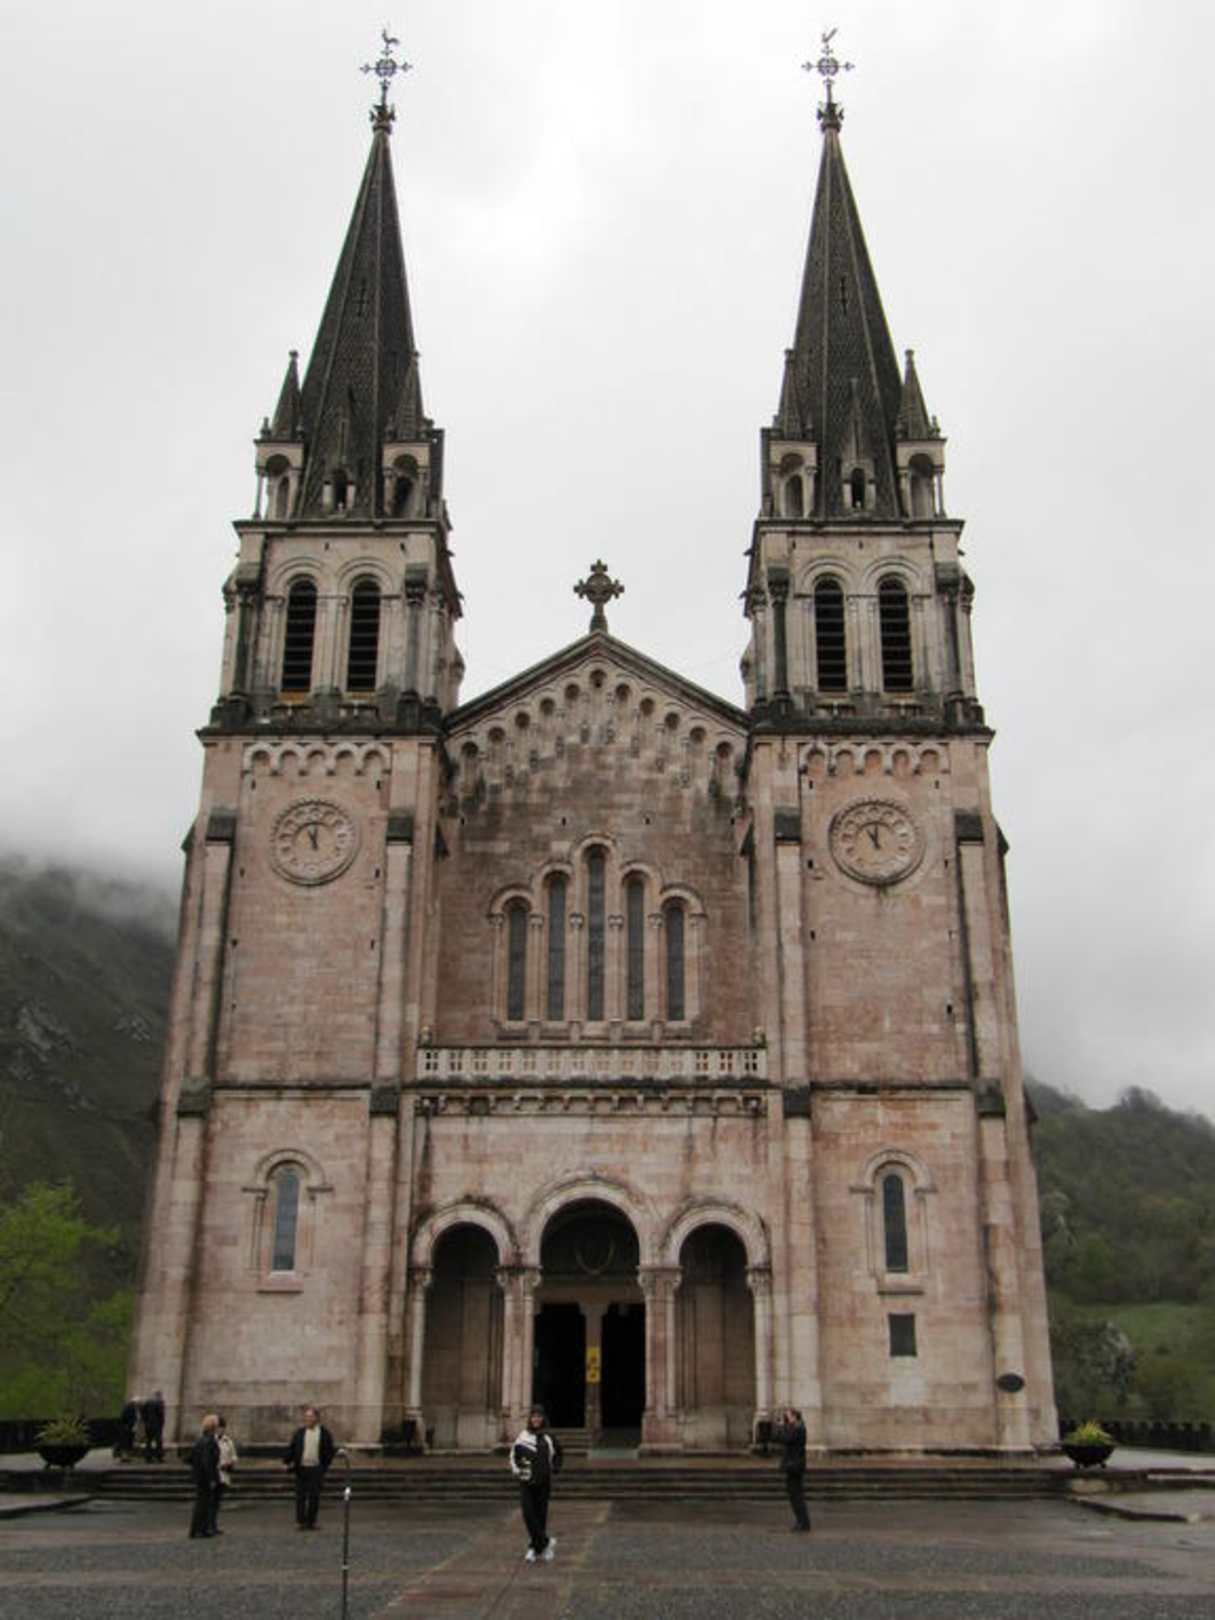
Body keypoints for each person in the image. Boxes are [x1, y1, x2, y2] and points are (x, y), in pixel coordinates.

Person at [510, 1405, 563, 1564]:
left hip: (543, 1481)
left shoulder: (549, 1437)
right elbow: (514, 1455)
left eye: (539, 1416)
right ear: (530, 1419)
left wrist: (555, 1468)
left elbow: (558, 1453)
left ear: (543, 1418)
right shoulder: (523, 1436)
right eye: (534, 1416)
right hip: (526, 1481)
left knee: (541, 1515)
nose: (536, 1419)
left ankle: (534, 1548)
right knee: (528, 1513)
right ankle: (545, 1542)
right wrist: (517, 1471)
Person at [283, 1404, 335, 1530]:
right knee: (300, 1496)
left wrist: (324, 1466)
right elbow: (293, 1448)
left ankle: (312, 1521)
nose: (308, 1419)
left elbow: (329, 1450)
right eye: (306, 1416)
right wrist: (287, 1461)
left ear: (316, 1418)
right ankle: (301, 1521)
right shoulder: (300, 1433)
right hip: (301, 1468)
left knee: (314, 1496)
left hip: (316, 1468)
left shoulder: (324, 1433)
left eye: (310, 1416)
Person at [778, 1407, 811, 1533]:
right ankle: (802, 1521)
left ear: (794, 1416)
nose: (786, 1419)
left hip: (794, 1466)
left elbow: (786, 1439)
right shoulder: (797, 1428)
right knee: (795, 1494)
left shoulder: (798, 1428)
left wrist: (782, 1426)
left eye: (788, 1416)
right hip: (794, 1465)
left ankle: (802, 1522)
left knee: (796, 1495)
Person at [188, 1414, 221, 1539]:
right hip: (205, 1476)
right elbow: (207, 1461)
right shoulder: (209, 1441)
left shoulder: (201, 1439)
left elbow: (191, 1458)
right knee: (204, 1503)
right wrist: (211, 1478)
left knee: (201, 1503)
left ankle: (198, 1529)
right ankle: (200, 1529)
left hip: (200, 1475)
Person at [210, 1415, 238, 1534]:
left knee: (216, 1502)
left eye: (222, 1427)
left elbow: (234, 1456)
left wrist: (230, 1462)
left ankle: (213, 1525)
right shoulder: (211, 1440)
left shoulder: (228, 1441)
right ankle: (209, 1525)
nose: (220, 1430)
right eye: (218, 1427)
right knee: (210, 1502)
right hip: (212, 1474)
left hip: (223, 1475)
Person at [142, 1390, 166, 1463]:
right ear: (159, 1396)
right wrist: (162, 1423)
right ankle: (159, 1457)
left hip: (148, 1425)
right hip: (157, 1425)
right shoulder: (159, 1403)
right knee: (158, 1441)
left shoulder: (147, 1402)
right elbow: (161, 1415)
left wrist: (145, 1421)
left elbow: (143, 1412)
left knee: (148, 1441)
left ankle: (148, 1457)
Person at [118, 1395, 139, 1460]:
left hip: (129, 1427)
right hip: (127, 1427)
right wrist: (128, 1425)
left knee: (128, 1442)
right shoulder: (130, 1408)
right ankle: (125, 1456)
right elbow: (126, 1417)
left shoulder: (130, 1407)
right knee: (126, 1442)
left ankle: (126, 1456)